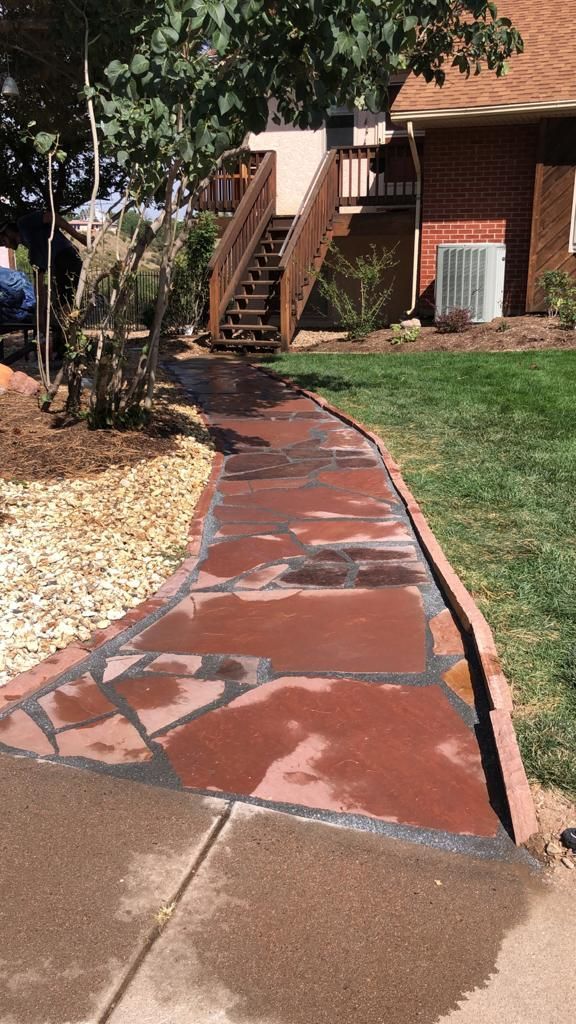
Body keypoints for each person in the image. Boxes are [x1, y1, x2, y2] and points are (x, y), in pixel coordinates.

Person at [0, 210, 87, 355]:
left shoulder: (24, 223)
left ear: (8, 232)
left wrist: (78, 236)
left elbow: (51, 216)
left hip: (66, 259)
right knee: (60, 307)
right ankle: (65, 347)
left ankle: (72, 348)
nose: (5, 246)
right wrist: (40, 327)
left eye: (3, 241)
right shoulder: (33, 251)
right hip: (58, 265)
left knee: (67, 307)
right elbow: (39, 288)